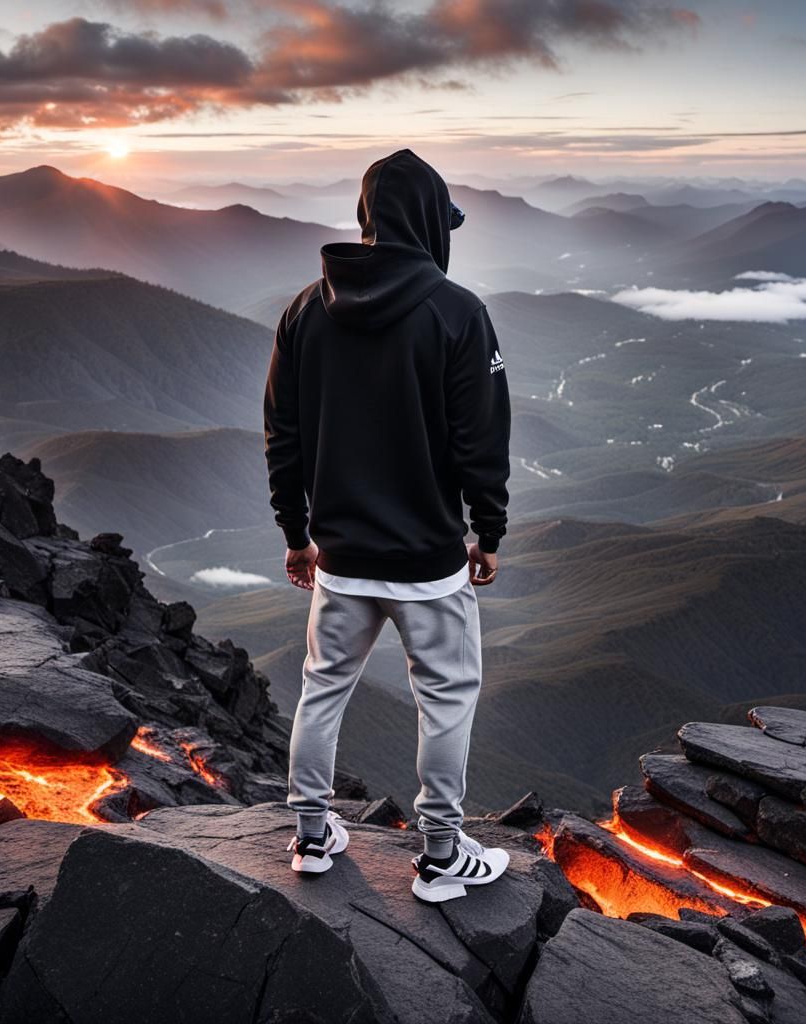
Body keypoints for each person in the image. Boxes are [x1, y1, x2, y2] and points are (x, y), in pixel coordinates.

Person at [263, 148, 511, 903]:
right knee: (446, 699)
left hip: (339, 558)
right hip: (428, 561)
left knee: (322, 689)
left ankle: (312, 836)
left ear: (368, 216)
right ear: (431, 220)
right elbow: (482, 441)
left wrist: (296, 535)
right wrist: (488, 533)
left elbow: (283, 434)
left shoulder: (306, 309)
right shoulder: (459, 312)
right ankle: (440, 855)